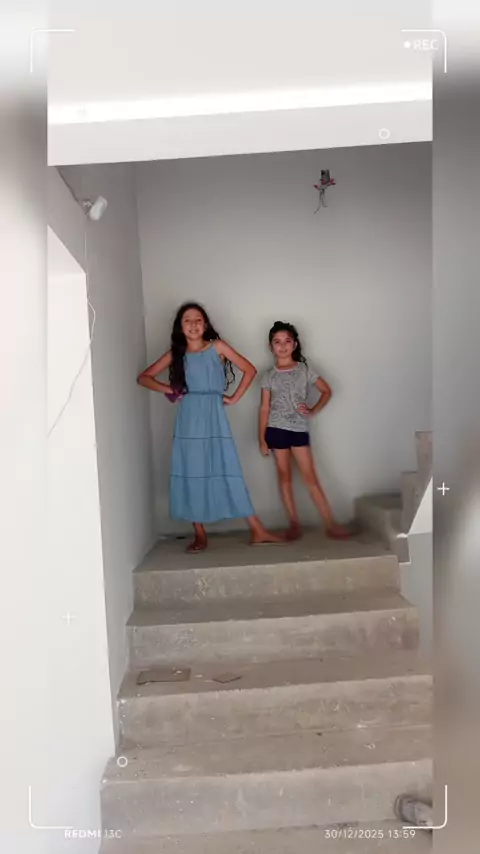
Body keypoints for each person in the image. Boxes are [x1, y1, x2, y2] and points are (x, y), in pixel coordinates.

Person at [137, 302, 284, 553]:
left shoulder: (218, 347)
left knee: (227, 467)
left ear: (205, 324)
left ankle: (257, 530)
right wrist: (171, 390)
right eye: (187, 320)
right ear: (180, 326)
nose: (193, 324)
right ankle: (199, 533)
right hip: (188, 418)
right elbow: (144, 378)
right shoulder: (177, 353)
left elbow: (249, 370)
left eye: (198, 319)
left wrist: (234, 398)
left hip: (214, 415)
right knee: (192, 470)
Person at [259, 321, 351, 541]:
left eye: (287, 341)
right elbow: (264, 408)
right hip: (275, 429)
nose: (282, 346)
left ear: (295, 344)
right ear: (271, 347)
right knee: (284, 477)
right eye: (277, 342)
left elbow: (327, 391)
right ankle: (294, 524)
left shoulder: (304, 370)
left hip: (298, 429)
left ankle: (330, 523)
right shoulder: (268, 376)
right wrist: (261, 438)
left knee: (310, 477)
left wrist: (312, 410)